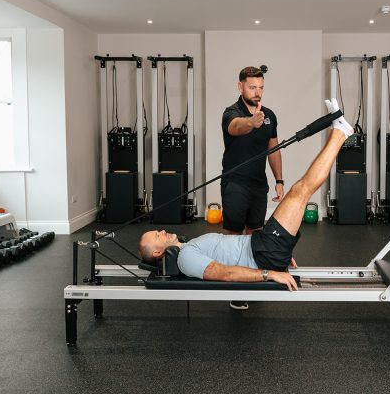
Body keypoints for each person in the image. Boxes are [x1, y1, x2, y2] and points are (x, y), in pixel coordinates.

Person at [138, 99, 355, 291]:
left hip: (262, 246)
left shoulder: (187, 248)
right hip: (263, 254)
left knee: (300, 189)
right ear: (158, 253)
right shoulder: (186, 258)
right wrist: (270, 273)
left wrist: (276, 251)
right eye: (158, 236)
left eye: (158, 230)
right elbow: (224, 273)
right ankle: (340, 133)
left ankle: (339, 131)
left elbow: (233, 249)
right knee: (301, 190)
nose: (163, 231)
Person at [220, 66, 284, 236]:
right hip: (235, 184)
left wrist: (279, 180)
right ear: (240, 87)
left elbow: (274, 149)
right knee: (232, 235)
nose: (257, 92)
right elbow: (235, 127)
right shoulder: (231, 112)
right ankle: (231, 264)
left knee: (255, 234)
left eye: (261, 87)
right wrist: (252, 122)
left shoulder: (269, 115)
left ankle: (250, 264)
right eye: (252, 87)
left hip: (259, 186)